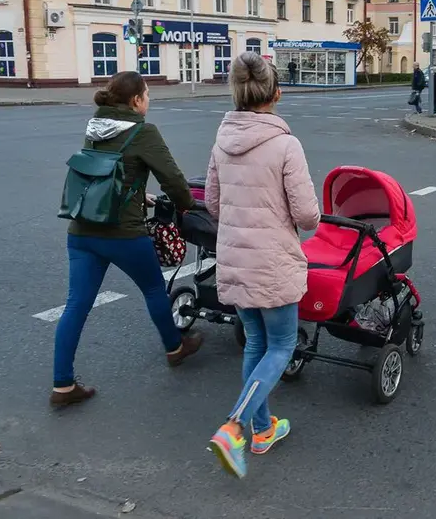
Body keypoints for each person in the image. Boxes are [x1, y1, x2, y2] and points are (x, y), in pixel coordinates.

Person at [51, 72, 200, 408]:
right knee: (152, 288)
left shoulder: (95, 126)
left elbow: (105, 173)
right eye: (147, 95)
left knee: (76, 306)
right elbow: (173, 180)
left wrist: (138, 194)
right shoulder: (143, 131)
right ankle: (175, 348)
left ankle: (62, 385)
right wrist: (187, 206)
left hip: (82, 231)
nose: (148, 101)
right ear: (136, 101)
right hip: (122, 233)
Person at [206, 52, 321, 479]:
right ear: (277, 93)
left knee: (255, 343)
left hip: (235, 259)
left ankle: (261, 429)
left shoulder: (221, 140)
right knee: (281, 345)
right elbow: (308, 215)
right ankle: (235, 425)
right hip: (272, 263)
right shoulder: (285, 144)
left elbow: (214, 203)